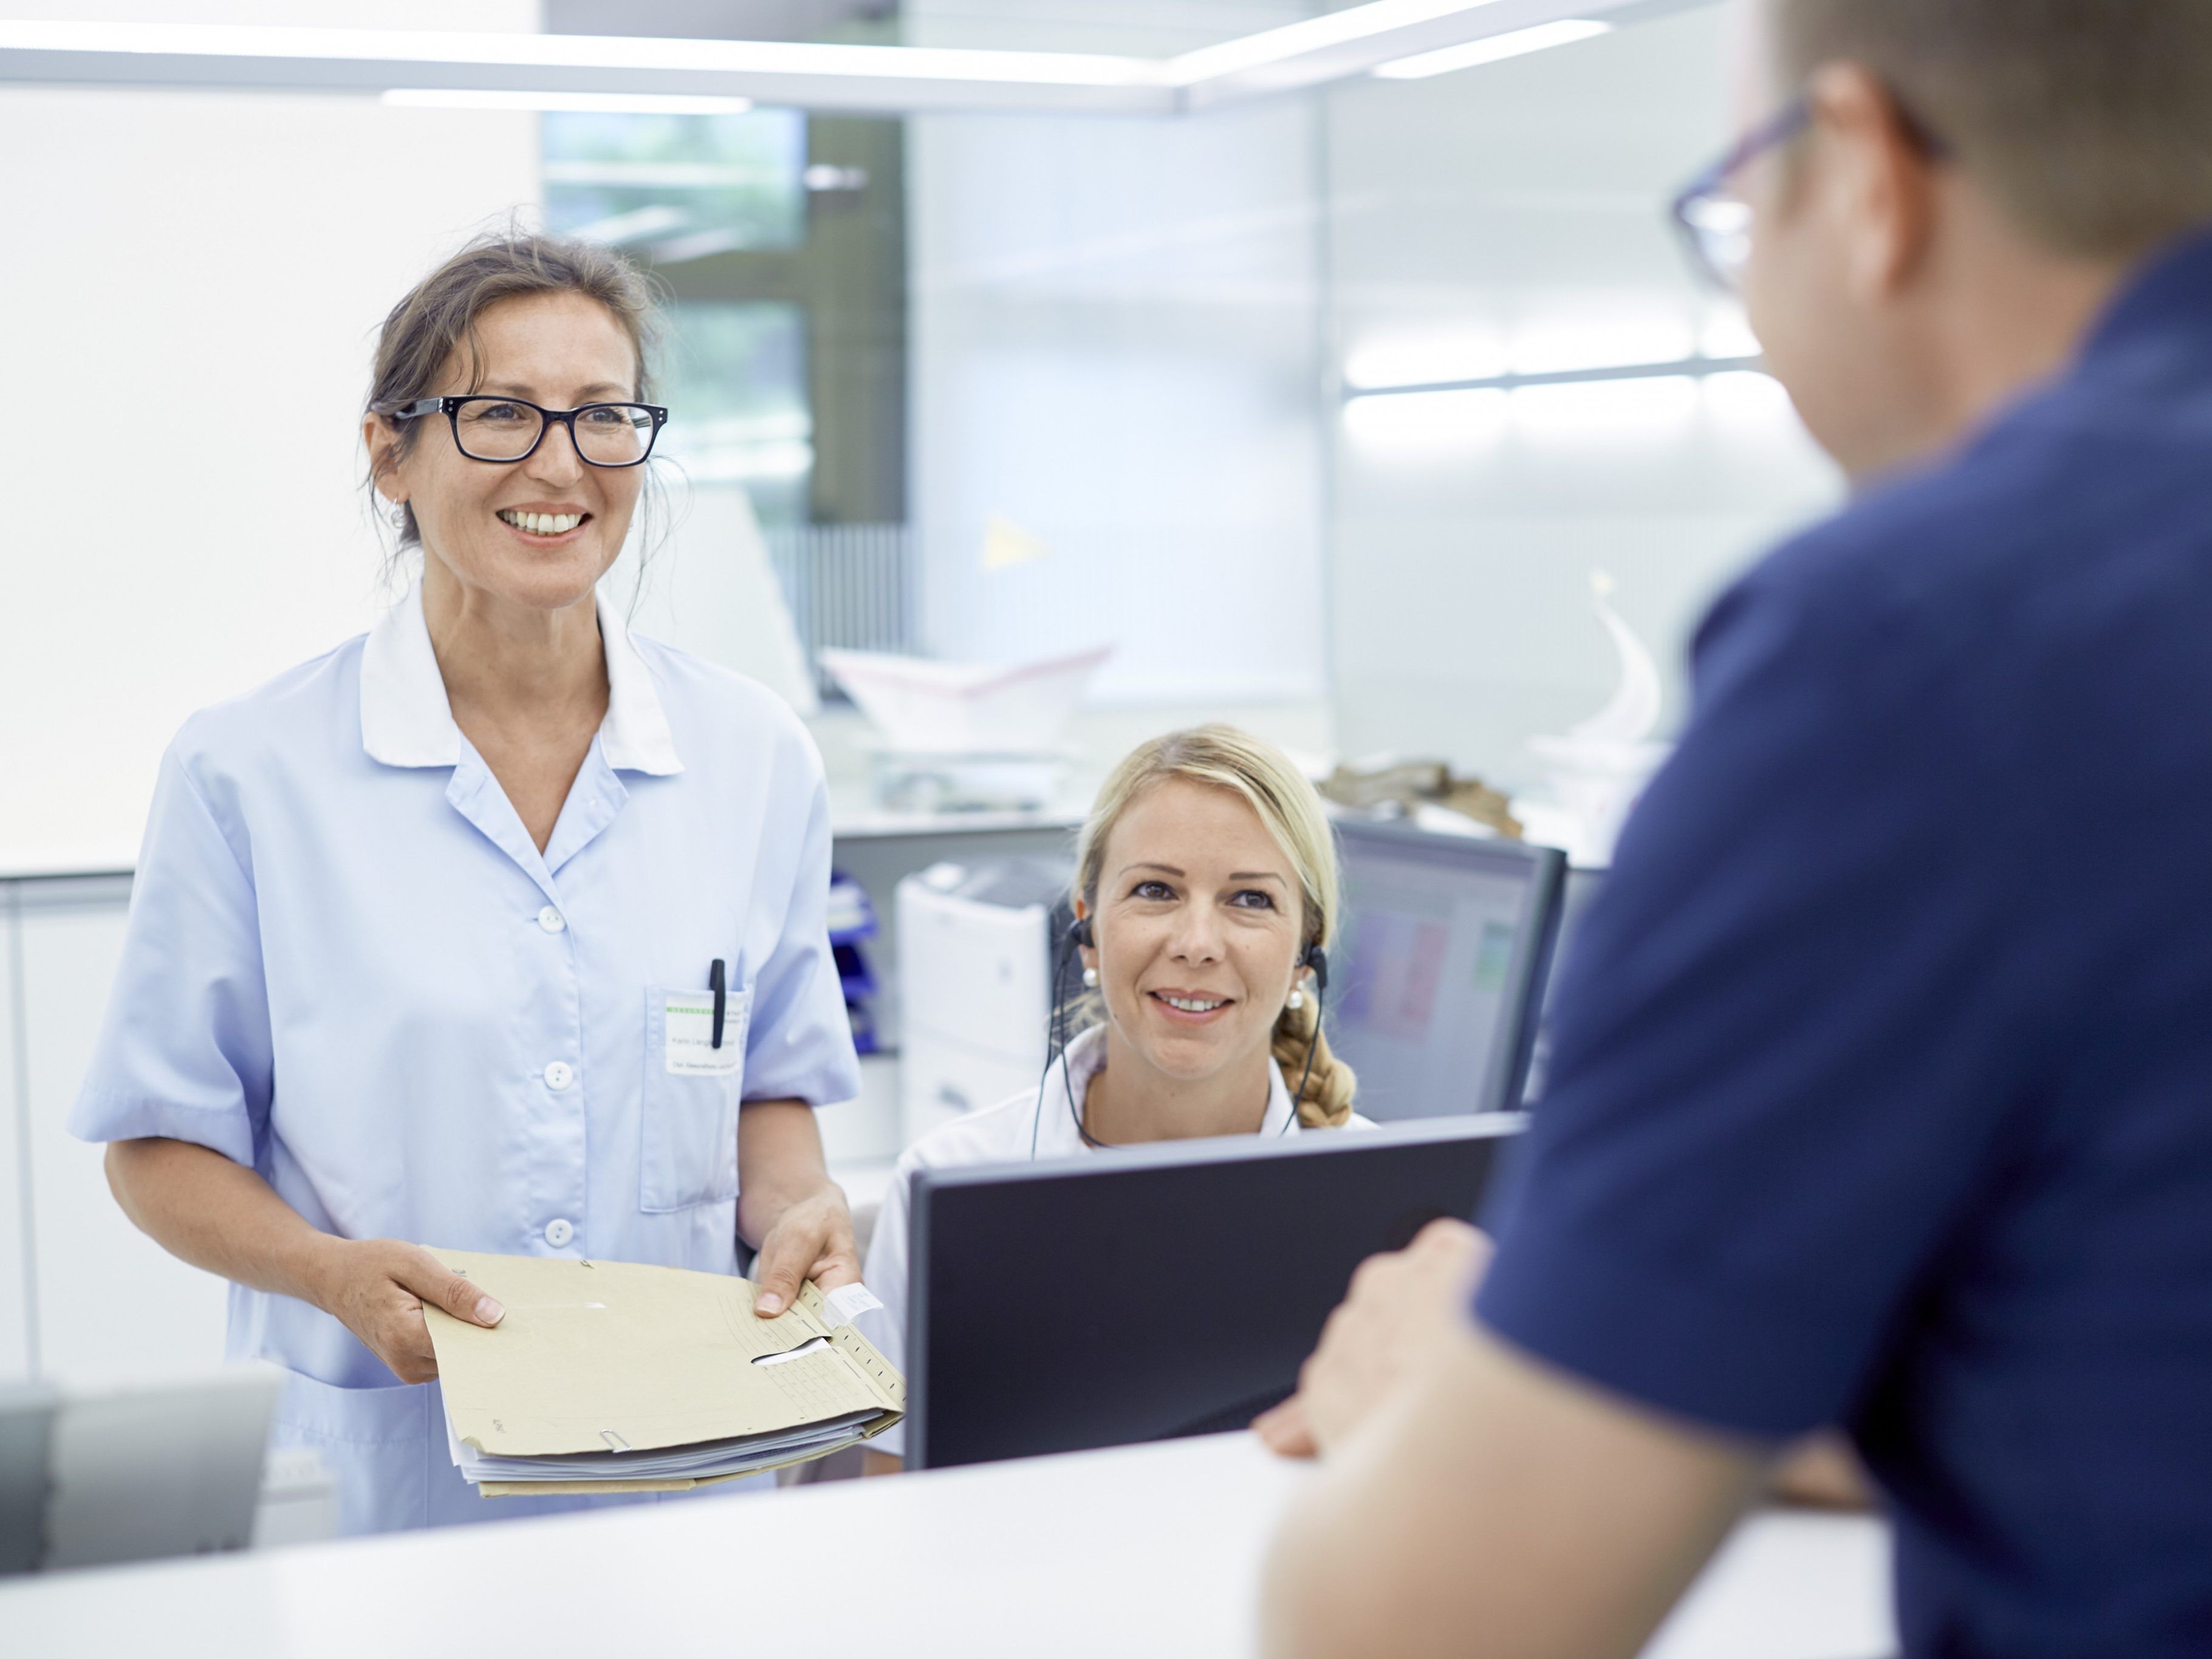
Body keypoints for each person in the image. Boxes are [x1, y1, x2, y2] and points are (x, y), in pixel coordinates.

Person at [1256, 1, 2212, 1655]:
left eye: (1737, 207)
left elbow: (1414, 1622)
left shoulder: (1930, 641)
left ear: (1861, 176)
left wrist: (1475, 1367)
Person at [70, 233, 863, 1534]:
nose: (560, 464)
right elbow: (157, 1142)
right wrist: (324, 1273)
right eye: (500, 415)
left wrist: (800, 1215)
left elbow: (765, 1081)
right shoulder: (251, 770)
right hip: (392, 1480)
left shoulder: (752, 756)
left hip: (688, 1462)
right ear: (390, 453)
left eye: (603, 418)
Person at [856, 725, 1369, 1474]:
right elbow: (892, 1515)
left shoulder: (1382, 1210)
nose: (1197, 942)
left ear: (1304, 953)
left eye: (1249, 898)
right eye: (1155, 890)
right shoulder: (952, 1184)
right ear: (1088, 930)